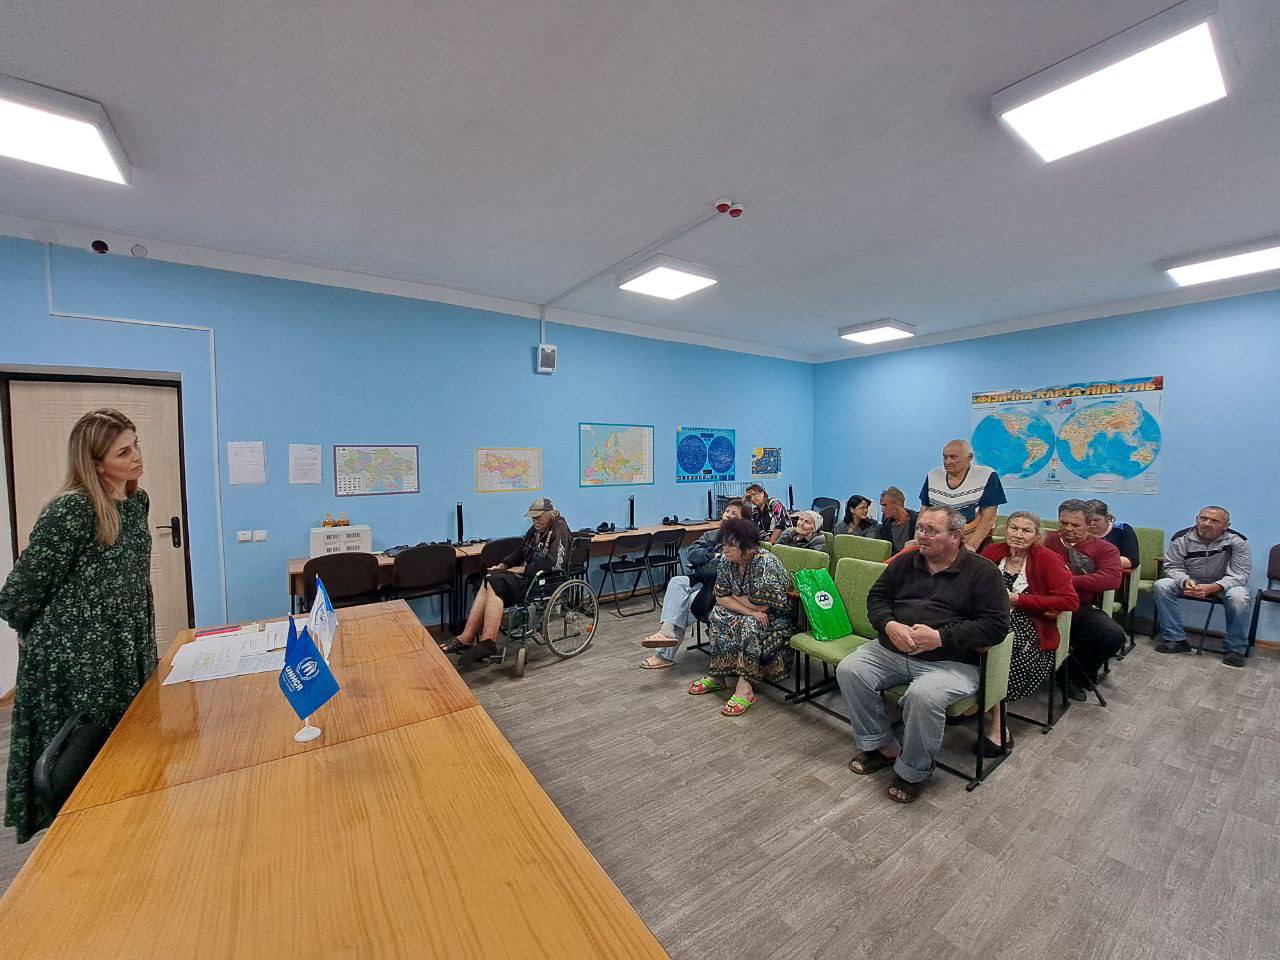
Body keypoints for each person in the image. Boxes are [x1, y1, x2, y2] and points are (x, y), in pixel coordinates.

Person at [0, 409, 157, 843]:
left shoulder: (137, 502)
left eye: (135, 445)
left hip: (124, 645)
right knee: (84, 763)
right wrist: (44, 636)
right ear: (95, 463)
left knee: (129, 753)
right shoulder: (72, 509)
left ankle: (128, 833)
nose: (136, 456)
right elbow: (17, 595)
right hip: (78, 659)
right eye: (122, 452)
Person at [836, 506, 1009, 803]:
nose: (922, 535)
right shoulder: (906, 561)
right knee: (850, 670)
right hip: (892, 650)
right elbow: (877, 598)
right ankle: (881, 746)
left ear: (955, 536)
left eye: (931, 530)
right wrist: (889, 625)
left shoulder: (983, 572)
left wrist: (941, 638)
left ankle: (913, 770)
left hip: (951, 661)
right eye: (920, 528)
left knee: (923, 696)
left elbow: (995, 627)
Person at [981, 512, 1078, 755]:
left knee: (1004, 646)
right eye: (1014, 528)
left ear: (1037, 535)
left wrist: (1018, 599)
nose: (1018, 534)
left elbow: (1070, 601)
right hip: (989, 615)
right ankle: (972, 699)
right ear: (1005, 529)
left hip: (1030, 624)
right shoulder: (992, 552)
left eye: (1026, 530)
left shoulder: (1048, 559)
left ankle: (999, 726)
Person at [687, 518, 794, 717]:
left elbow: (763, 605)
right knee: (718, 614)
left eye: (731, 546)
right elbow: (720, 597)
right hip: (752, 611)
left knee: (750, 623)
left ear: (748, 547)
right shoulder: (727, 561)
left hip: (776, 616)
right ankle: (718, 675)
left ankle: (745, 687)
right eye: (724, 544)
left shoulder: (765, 562)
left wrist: (734, 598)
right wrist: (747, 606)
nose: (725, 550)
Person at [444, 497, 571, 663]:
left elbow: (554, 563)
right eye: (533, 518)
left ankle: (487, 641)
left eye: (538, 517)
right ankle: (467, 637)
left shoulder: (559, 528)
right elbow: (521, 551)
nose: (535, 521)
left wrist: (523, 569)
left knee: (494, 582)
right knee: (489, 578)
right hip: (530, 577)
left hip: (543, 581)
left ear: (550, 515)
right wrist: (504, 564)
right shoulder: (535, 530)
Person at [640, 499, 745, 669]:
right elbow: (691, 555)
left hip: (719, 587)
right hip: (699, 579)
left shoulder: (741, 541)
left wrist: (703, 563)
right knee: (676, 582)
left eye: (734, 513)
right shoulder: (712, 535)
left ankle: (664, 655)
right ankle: (666, 631)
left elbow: (716, 569)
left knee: (684, 604)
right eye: (727, 511)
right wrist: (712, 556)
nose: (727, 515)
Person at [1043, 499, 1125, 700]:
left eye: (1075, 525)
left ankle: (1070, 675)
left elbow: (1112, 578)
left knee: (1112, 635)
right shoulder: (1044, 539)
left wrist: (1067, 581)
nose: (1068, 529)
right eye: (1063, 523)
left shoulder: (1105, 548)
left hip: (1078, 606)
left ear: (1089, 524)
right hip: (1041, 602)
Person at [1154, 506, 1252, 667]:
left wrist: (1215, 586)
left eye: (1214, 521)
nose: (1206, 523)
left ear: (1226, 525)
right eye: (1203, 518)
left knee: (1239, 597)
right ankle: (1175, 639)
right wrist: (1184, 581)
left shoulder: (1238, 541)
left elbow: (1240, 574)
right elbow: (1172, 567)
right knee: (1162, 585)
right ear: (1196, 519)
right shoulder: (1181, 538)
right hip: (1191, 581)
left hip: (1223, 583)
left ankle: (1235, 649)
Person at [920, 439, 1006, 551]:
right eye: (945, 457)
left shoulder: (987, 475)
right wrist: (917, 539)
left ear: (970, 457)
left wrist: (972, 546)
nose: (948, 462)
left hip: (971, 538)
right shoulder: (933, 475)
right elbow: (924, 511)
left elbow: (988, 518)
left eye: (953, 457)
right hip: (936, 539)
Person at [1085, 499, 1140, 571]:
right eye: (1088, 520)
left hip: (1114, 572)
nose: (1091, 524)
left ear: (1108, 518)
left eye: (1096, 520)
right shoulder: (1077, 530)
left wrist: (1099, 562)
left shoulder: (1122, 529)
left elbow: (1132, 561)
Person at [874, 487, 918, 555]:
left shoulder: (918, 521)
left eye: (885, 505)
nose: (882, 510)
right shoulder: (884, 528)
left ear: (897, 504)